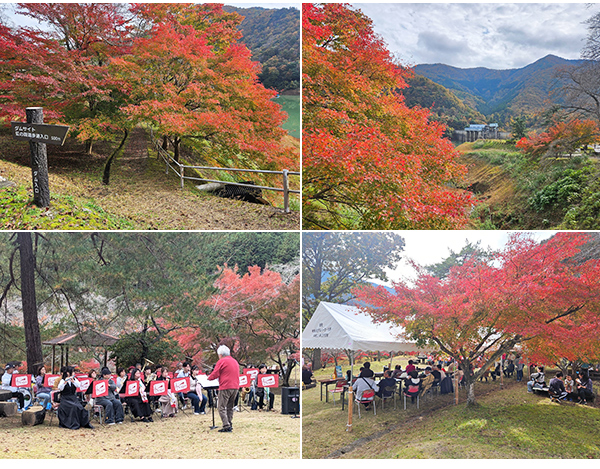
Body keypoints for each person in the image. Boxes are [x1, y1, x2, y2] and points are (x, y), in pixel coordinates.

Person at [208, 345, 240, 433]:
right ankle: (229, 423)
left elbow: (215, 373)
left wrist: (208, 378)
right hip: (235, 386)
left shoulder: (221, 361)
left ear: (221, 354)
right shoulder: (235, 361)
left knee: (221, 407)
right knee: (230, 406)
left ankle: (226, 425)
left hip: (225, 386)